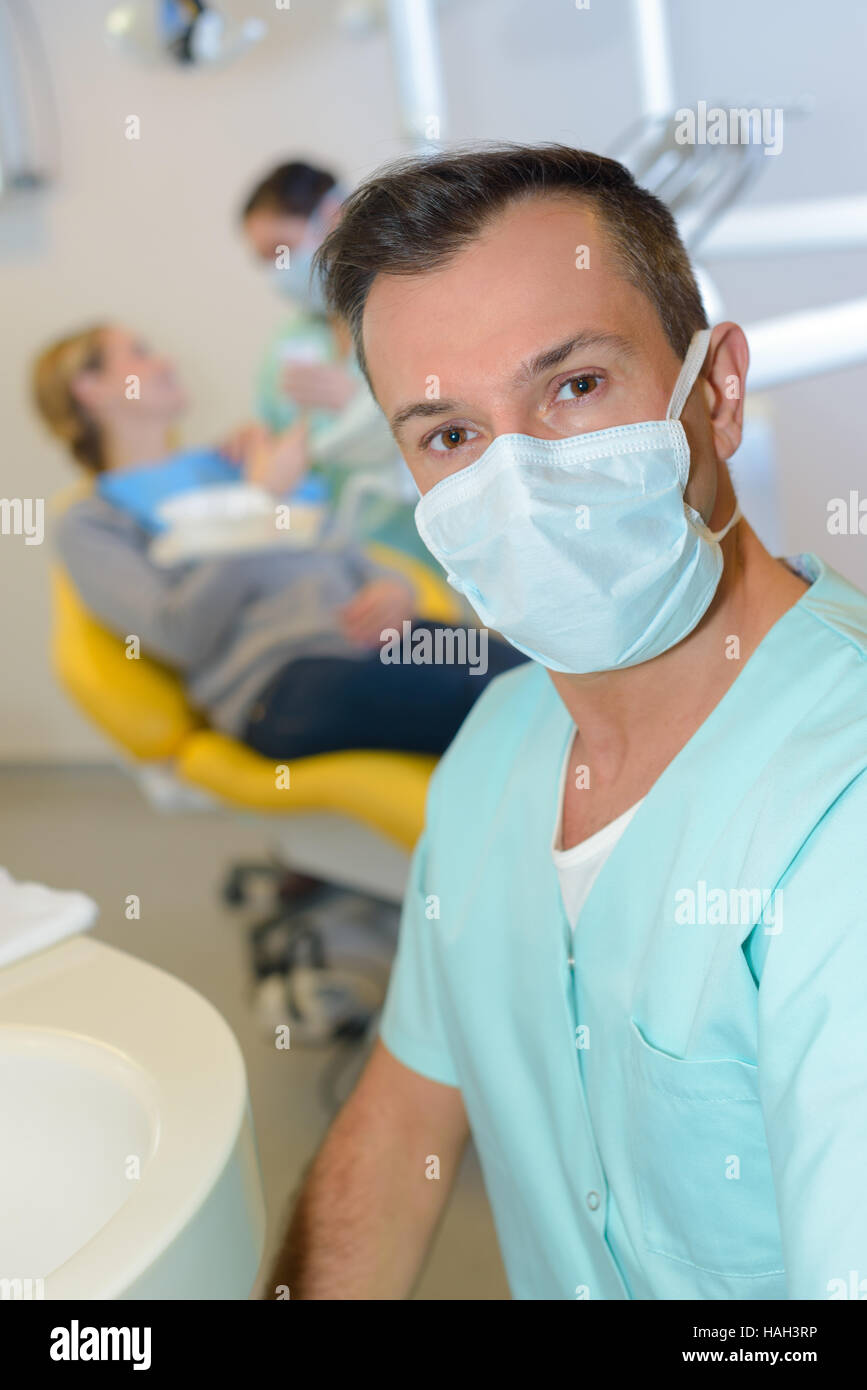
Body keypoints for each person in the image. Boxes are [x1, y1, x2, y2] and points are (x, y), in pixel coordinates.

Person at [266, 143, 867, 1300]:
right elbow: (399, 1128)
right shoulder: (497, 750)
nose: (523, 480)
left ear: (717, 390)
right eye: (450, 435)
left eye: (574, 386)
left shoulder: (839, 811)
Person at [34, 323, 525, 759]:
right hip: (280, 681)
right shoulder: (93, 521)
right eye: (139, 354)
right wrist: (260, 501)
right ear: (90, 388)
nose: (165, 362)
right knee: (485, 695)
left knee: (541, 676)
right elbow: (177, 633)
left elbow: (339, 544)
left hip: (380, 644)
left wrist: (396, 590)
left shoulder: (233, 461)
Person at [240, 160, 428, 560]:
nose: (279, 272)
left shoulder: (411, 310)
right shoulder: (293, 338)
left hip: (426, 553)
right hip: (347, 555)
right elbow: (270, 430)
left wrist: (364, 408)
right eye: (266, 260)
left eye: (282, 250)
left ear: (332, 216)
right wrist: (258, 451)